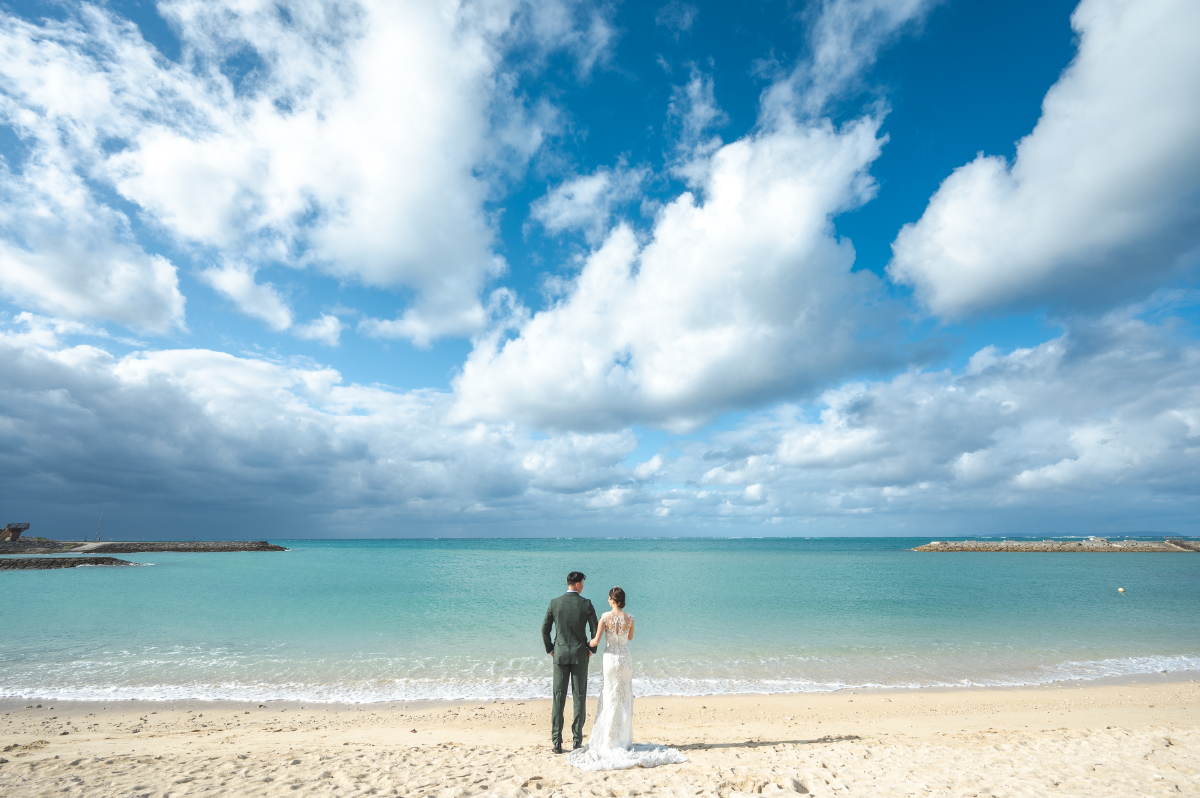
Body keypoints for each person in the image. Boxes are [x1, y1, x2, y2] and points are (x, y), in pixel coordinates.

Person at [566, 586, 686, 771]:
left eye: (608, 598)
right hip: (625, 659)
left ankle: (608, 739)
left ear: (613, 600)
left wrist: (584, 644)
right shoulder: (630, 618)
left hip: (610, 659)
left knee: (609, 696)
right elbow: (629, 637)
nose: (607, 601)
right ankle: (620, 738)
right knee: (622, 698)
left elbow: (596, 641)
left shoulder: (605, 617)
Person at [542, 571, 599, 754]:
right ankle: (576, 741)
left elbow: (545, 629)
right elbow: (595, 630)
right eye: (582, 583)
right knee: (579, 697)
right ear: (576, 584)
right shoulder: (586, 604)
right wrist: (591, 649)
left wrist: (550, 648)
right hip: (580, 656)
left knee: (558, 697)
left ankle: (557, 742)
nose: (583, 586)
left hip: (559, 655)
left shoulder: (554, 603)